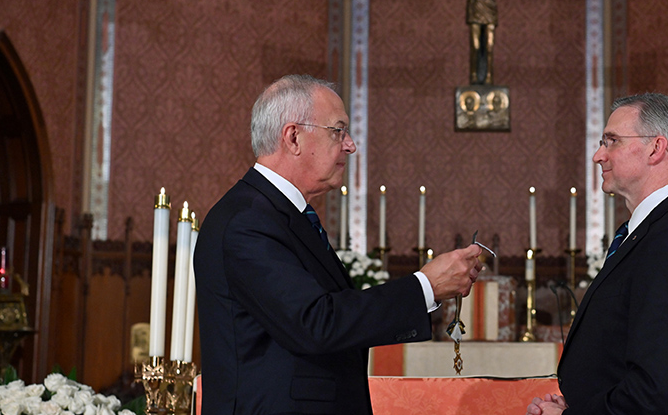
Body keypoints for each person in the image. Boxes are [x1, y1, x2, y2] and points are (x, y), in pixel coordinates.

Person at [195, 74, 483, 414]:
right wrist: (426, 287)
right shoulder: (248, 220)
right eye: (338, 131)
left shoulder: (278, 213)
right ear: (293, 137)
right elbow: (317, 323)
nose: (350, 145)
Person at [528, 93, 668, 414]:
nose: (598, 155)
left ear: (656, 148)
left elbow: (655, 390)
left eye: (612, 141)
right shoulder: (656, 231)